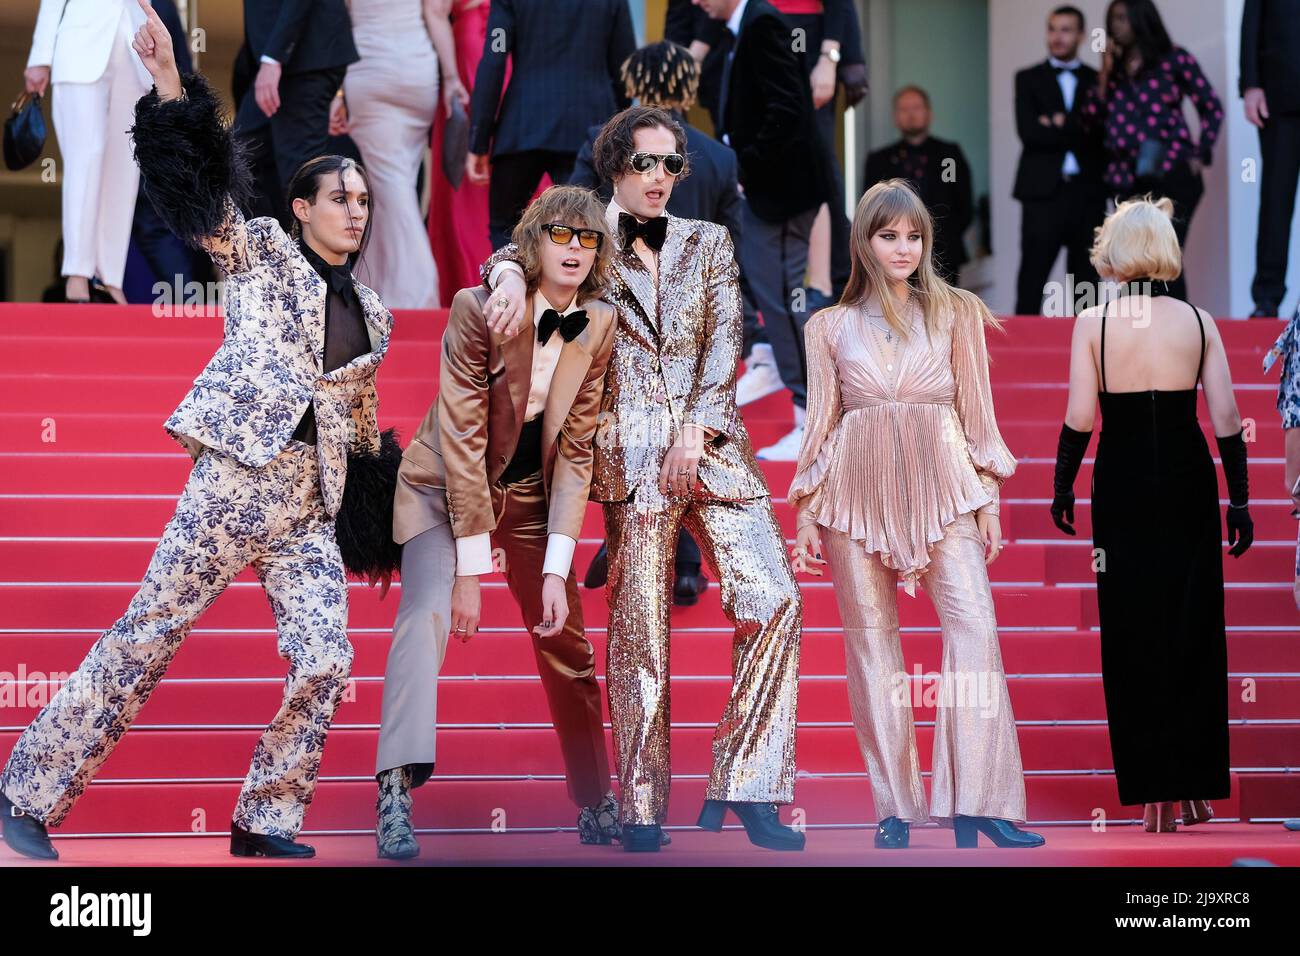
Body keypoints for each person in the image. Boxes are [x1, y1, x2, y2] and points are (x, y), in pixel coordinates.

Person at [0, 5, 398, 862]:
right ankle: (26, 792)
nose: (356, 212)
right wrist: (172, 84)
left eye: (364, 200)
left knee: (326, 661)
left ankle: (266, 818)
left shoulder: (376, 315)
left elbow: (359, 426)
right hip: (232, 482)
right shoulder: (258, 250)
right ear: (302, 207)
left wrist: (369, 513)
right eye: (341, 198)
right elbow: (203, 191)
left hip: (306, 509)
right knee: (149, 634)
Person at [482, 106, 805, 852]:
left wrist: (698, 428)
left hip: (713, 448)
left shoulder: (710, 241)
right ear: (614, 165)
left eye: (672, 166)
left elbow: (729, 338)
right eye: (647, 163)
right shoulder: (584, 239)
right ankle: (641, 806)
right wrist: (505, 273)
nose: (661, 178)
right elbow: (511, 249)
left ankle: (747, 784)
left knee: (775, 598)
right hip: (628, 456)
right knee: (640, 638)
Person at [788, 179, 1043, 850]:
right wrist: (808, 511)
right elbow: (821, 424)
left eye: (913, 236)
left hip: (946, 490)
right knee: (872, 646)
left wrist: (990, 498)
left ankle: (979, 799)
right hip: (851, 496)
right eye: (888, 235)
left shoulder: (957, 313)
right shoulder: (828, 326)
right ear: (864, 242)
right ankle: (894, 807)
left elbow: (979, 418)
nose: (903, 247)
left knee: (975, 627)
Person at [374, 186, 622, 859]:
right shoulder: (477, 309)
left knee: (565, 639)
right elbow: (459, 436)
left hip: (533, 497)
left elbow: (575, 450)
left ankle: (594, 797)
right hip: (442, 486)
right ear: (534, 244)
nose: (574, 250)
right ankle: (394, 790)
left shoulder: (598, 326)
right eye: (561, 236)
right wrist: (471, 570)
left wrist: (555, 564)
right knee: (426, 611)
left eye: (588, 239)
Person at [1052, 197, 1251, 831]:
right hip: (1189, 484)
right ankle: (1193, 788)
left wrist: (1062, 487)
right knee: (1193, 630)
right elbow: (1225, 417)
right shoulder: (1199, 321)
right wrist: (1240, 500)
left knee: (1133, 632)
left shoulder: (1093, 324)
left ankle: (1153, 797)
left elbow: (1081, 418)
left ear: (1113, 252)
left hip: (1124, 486)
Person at [571, 39, 747, 606]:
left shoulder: (607, 143)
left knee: (636, 412)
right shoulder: (719, 157)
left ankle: (635, 539)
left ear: (630, 81)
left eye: (671, 168)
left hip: (629, 317)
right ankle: (686, 564)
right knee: (670, 417)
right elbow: (734, 246)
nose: (659, 176)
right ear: (689, 87)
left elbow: (568, 211)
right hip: (687, 319)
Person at [694, 0, 837, 462]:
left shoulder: (763, 25)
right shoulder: (753, 25)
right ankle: (798, 396)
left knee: (781, 297)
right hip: (775, 190)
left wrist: (746, 164)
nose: (695, 2)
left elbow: (787, 109)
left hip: (779, 192)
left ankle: (809, 418)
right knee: (778, 295)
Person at [1080, 0, 1223, 302]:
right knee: (1132, 262)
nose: (1115, 26)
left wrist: (1200, 153)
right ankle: (1137, 336)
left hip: (1172, 172)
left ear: (1139, 17)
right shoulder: (1113, 70)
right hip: (1126, 179)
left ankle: (1179, 330)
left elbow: (1211, 107)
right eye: (1111, 20)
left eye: (1121, 18)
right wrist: (1105, 73)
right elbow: (1090, 120)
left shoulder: (1174, 59)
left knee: (1166, 255)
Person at [467, 0, 636, 250]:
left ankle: (511, 285)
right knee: (587, 231)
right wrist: (614, 127)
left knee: (505, 232)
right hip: (590, 127)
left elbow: (494, 58)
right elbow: (625, 67)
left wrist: (479, 139)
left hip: (522, 124)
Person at [334, 0, 467, 309]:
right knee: (395, 188)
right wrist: (450, 78)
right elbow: (435, 13)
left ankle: (418, 295)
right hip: (417, 72)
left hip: (370, 71)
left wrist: (336, 91)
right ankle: (372, 289)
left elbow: (340, 23)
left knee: (394, 191)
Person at [24, 0, 153, 305]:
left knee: (124, 169)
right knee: (85, 160)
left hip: (131, 43)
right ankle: (78, 274)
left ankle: (110, 277)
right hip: (79, 44)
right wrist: (40, 56)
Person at [1012, 5, 1106, 316]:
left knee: (1086, 282)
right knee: (1032, 276)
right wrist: (1076, 125)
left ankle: (1088, 350)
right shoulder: (1026, 78)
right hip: (1041, 192)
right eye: (1052, 29)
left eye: (1066, 30)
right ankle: (1020, 353)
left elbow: (1100, 136)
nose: (1057, 37)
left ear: (1080, 35)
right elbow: (1029, 133)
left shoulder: (1098, 80)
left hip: (1087, 191)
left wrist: (1055, 122)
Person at [234, 0, 360, 228]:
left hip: (301, 59)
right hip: (286, 59)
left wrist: (274, 58)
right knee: (239, 159)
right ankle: (276, 252)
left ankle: (315, 261)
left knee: (301, 179)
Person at [863, 87, 974, 288]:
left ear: (929, 113)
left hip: (944, 255)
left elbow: (964, 207)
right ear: (895, 117)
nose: (911, 114)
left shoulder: (949, 155)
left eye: (916, 107)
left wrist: (936, 240)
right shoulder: (879, 160)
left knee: (942, 314)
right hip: (892, 257)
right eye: (904, 109)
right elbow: (871, 212)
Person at [428, 0, 493, 301]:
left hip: (472, 48)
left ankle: (471, 278)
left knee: (468, 179)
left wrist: (451, 77)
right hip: (508, 48)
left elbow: (436, 10)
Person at [1240, 0, 1300, 318]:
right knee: (1276, 199)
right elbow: (1252, 21)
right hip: (1281, 93)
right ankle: (1267, 296)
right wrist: (1250, 84)